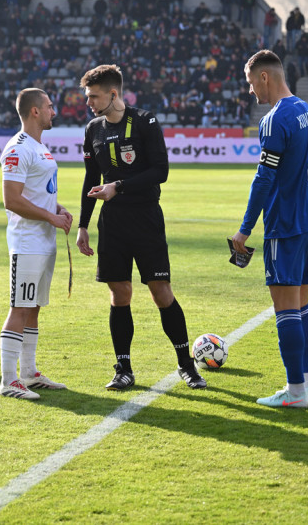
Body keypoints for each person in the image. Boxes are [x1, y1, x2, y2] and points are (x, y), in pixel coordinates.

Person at [76, 64, 206, 391]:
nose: (89, 102)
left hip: (146, 218)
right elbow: (92, 180)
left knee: (161, 292)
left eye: (94, 96)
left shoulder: (145, 121)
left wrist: (117, 186)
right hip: (113, 224)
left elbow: (160, 170)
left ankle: (186, 366)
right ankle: (124, 369)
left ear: (113, 94)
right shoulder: (93, 129)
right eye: (87, 97)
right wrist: (83, 225)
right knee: (120, 294)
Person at [231, 50, 308, 409]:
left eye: (252, 82)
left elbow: (264, 179)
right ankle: (307, 385)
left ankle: (295, 392)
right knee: (302, 306)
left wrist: (244, 229)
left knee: (285, 308)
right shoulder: (306, 111)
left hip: (285, 226)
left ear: (265, 77)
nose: (251, 90)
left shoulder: (275, 118)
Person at [0, 88, 73, 400]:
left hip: (44, 241)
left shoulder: (40, 147)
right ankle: (8, 379)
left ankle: (28, 372)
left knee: (34, 308)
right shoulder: (17, 148)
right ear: (35, 112)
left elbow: (37, 191)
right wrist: (50, 217)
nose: (54, 111)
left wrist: (57, 208)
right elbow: (12, 200)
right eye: (50, 106)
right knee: (20, 307)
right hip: (27, 242)